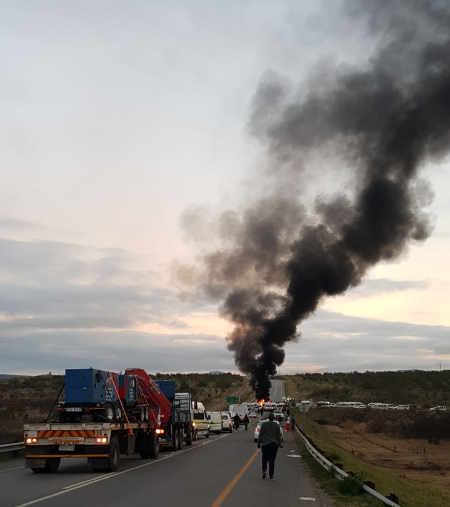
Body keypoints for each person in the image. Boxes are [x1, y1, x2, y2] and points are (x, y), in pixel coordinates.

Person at [257, 412, 283, 480]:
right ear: (273, 418)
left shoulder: (264, 424)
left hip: (265, 444)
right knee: (272, 460)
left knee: (264, 458)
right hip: (274, 444)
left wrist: (259, 443)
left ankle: (264, 471)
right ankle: (271, 475)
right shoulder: (276, 425)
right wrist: (280, 444)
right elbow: (278, 436)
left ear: (268, 418)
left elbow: (260, 435)